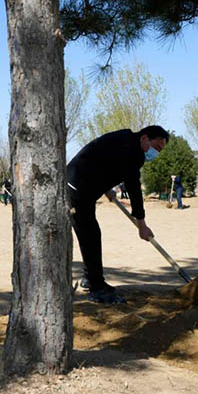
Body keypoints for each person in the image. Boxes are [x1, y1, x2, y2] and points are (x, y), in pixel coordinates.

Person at [67, 125, 169, 303]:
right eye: (156, 148)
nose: (155, 153)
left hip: (78, 184)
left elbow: (104, 161)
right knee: (90, 234)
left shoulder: (124, 139)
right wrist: (142, 225)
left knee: (90, 234)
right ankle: (96, 287)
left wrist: (107, 188)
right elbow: (133, 188)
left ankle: (91, 278)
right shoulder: (133, 151)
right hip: (77, 189)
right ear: (145, 138)